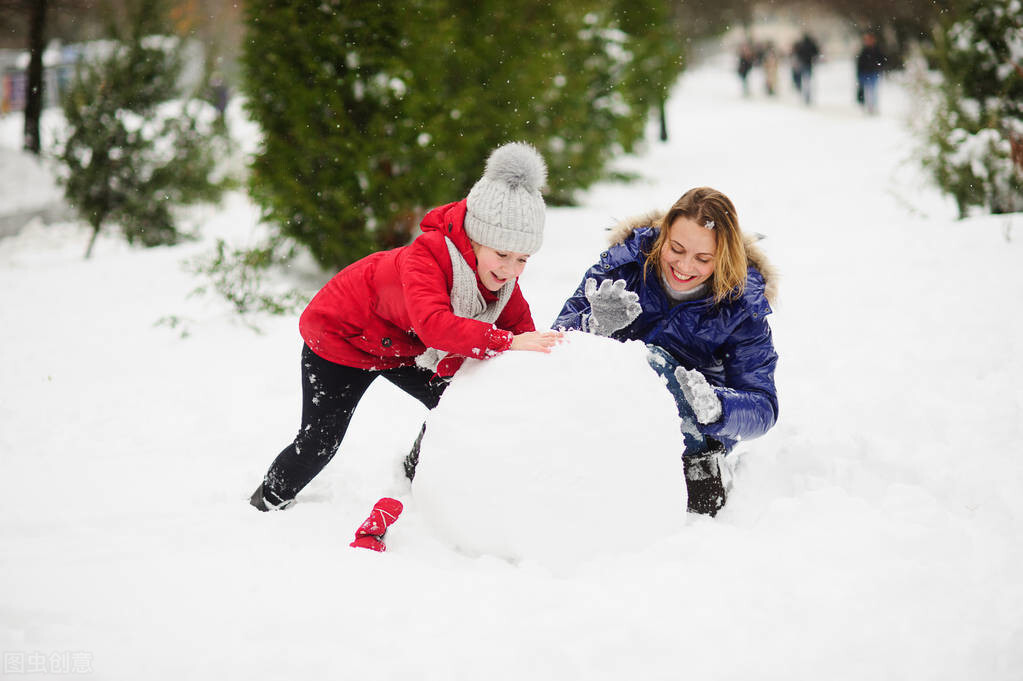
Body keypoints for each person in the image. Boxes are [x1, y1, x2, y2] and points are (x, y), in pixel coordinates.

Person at [250, 142, 561, 511]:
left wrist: (542, 361)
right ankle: (268, 501)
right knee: (321, 440)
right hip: (340, 339)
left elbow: (524, 332)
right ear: (475, 239)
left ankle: (414, 472)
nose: (511, 269)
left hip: (400, 347)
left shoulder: (499, 280)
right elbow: (435, 326)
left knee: (459, 403)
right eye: (503, 255)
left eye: (523, 258)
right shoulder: (426, 257)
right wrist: (505, 341)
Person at [553, 187, 779, 516]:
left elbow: (763, 406)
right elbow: (553, 340)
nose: (685, 266)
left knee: (655, 362)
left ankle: (697, 483)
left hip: (686, 441)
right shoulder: (625, 264)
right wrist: (595, 324)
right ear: (664, 234)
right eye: (676, 249)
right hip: (607, 412)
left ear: (724, 256)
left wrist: (717, 408)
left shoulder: (741, 306)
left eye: (703, 259)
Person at [856, 33, 887, 115]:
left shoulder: (877, 51)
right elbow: (860, 64)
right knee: (868, 91)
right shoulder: (864, 51)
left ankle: (873, 107)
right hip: (866, 74)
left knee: (873, 91)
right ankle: (870, 107)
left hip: (874, 73)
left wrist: (878, 68)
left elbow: (882, 61)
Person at [792, 33, 821, 105]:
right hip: (809, 64)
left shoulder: (802, 45)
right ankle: (807, 96)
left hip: (803, 64)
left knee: (805, 80)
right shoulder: (811, 45)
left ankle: (805, 95)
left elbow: (798, 53)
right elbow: (816, 52)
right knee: (807, 80)